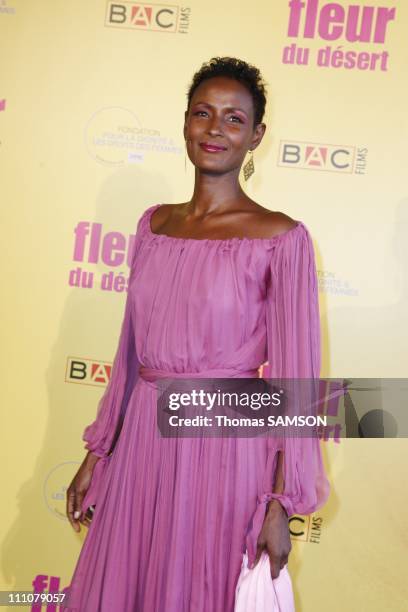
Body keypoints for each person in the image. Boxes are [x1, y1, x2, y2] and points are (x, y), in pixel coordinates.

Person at [63, 57, 330, 612]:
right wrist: (100, 451)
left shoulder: (281, 237)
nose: (215, 128)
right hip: (141, 443)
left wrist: (282, 503)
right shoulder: (154, 225)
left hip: (225, 451)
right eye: (203, 113)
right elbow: (132, 348)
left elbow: (296, 382)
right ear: (184, 123)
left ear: (256, 135)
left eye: (234, 119)